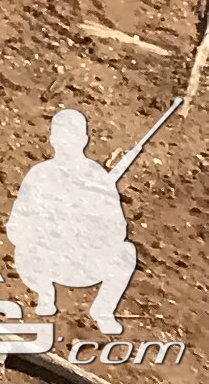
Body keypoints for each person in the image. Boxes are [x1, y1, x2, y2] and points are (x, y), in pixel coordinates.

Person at [8, 107, 143, 335]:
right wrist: (48, 226)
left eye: (72, 137)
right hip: (45, 261)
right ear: (52, 139)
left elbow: (118, 229)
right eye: (61, 137)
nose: (66, 143)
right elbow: (16, 226)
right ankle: (45, 294)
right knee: (28, 249)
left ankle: (103, 310)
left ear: (84, 140)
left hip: (83, 260)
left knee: (126, 252)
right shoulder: (39, 174)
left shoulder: (97, 177)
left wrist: (89, 226)